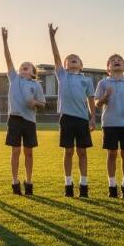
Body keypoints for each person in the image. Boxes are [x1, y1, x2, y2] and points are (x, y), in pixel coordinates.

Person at [49, 24, 96, 197]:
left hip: (82, 119)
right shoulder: (62, 75)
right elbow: (55, 55)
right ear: (65, 65)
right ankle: (68, 184)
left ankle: (84, 184)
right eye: (69, 58)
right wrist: (52, 37)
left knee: (82, 151)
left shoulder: (87, 81)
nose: (73, 59)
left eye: (76, 58)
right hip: (67, 119)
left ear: (81, 65)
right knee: (68, 151)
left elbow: (91, 100)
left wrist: (93, 118)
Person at [2, 27, 46, 196]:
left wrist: (34, 102)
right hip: (14, 119)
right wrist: (5, 40)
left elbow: (42, 104)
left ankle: (28, 182)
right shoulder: (14, 78)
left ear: (33, 73)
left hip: (29, 121)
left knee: (28, 152)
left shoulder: (36, 85)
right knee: (15, 151)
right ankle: (15, 182)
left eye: (27, 67)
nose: (23, 68)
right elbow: (8, 58)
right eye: (22, 66)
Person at [95, 54, 124, 198]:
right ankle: (112, 186)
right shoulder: (103, 83)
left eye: (119, 61)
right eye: (113, 61)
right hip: (109, 123)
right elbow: (97, 103)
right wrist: (105, 97)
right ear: (108, 68)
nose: (116, 62)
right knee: (112, 154)